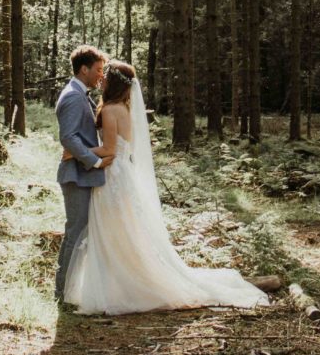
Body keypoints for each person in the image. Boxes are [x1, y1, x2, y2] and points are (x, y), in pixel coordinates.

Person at [63, 60, 270, 316]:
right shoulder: (124, 109)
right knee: (124, 232)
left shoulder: (110, 110)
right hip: (122, 175)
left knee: (113, 232)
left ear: (114, 82)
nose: (101, 78)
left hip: (112, 176)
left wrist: (74, 153)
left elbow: (109, 150)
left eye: (106, 75)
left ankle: (120, 286)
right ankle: (123, 281)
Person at [54, 45, 114, 304]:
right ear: (84, 69)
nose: (101, 75)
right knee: (75, 232)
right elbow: (67, 137)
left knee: (80, 232)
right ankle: (62, 292)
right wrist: (95, 161)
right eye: (98, 70)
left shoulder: (81, 94)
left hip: (81, 174)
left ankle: (70, 289)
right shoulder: (73, 96)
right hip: (76, 175)